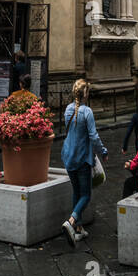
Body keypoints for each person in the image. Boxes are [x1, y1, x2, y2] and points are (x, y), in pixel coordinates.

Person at [61, 79, 107, 245]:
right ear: (86, 94)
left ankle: (79, 229)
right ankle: (72, 221)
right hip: (82, 158)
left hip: (69, 156)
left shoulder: (68, 109)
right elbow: (93, 137)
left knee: (76, 192)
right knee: (86, 195)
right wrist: (103, 152)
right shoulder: (87, 112)